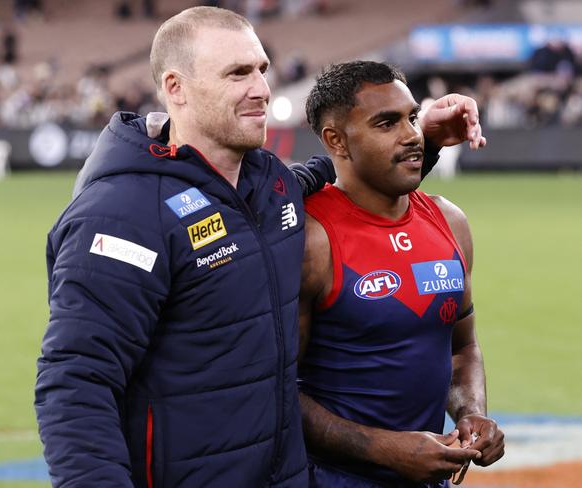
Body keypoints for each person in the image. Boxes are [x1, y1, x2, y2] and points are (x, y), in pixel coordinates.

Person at [35, 7, 487, 488]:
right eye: (237, 73)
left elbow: (347, 176)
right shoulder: (123, 213)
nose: (261, 89)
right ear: (175, 88)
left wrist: (423, 140)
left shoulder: (268, 186)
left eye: (262, 70)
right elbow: (76, 381)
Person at [297, 60, 505, 488]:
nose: (413, 134)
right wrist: (385, 449)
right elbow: (275, 391)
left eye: (412, 117)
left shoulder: (450, 221)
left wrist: (471, 414)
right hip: (330, 479)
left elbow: (461, 347)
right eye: (386, 123)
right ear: (336, 140)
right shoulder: (310, 240)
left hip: (429, 478)